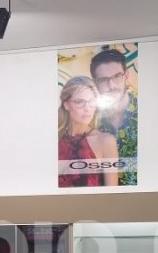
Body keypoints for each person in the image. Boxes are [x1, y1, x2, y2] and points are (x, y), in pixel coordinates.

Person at [57, 76, 119, 188]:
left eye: (91, 102)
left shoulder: (105, 141)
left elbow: (112, 193)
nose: (87, 108)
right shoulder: (54, 139)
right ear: (66, 104)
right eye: (79, 102)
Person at [90, 49, 138, 185]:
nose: (111, 86)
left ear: (126, 75)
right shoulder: (88, 120)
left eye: (117, 76)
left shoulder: (148, 114)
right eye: (103, 80)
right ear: (95, 83)